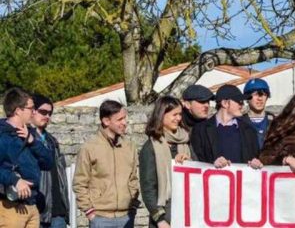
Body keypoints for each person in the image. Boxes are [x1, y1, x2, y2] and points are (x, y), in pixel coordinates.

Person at [73, 100, 139, 228]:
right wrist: (90, 212)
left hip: (126, 216)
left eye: (125, 118)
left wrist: (133, 206)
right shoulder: (89, 148)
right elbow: (80, 182)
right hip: (100, 218)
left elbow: (133, 179)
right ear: (106, 121)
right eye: (120, 119)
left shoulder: (129, 147)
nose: (125, 123)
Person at [0, 88, 54, 227]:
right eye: (31, 108)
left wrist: (32, 141)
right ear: (18, 110)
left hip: (32, 205)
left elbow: (48, 162)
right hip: (10, 207)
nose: (33, 112)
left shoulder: (31, 133)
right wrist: (15, 180)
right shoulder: (2, 135)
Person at [139, 96, 192, 228]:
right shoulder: (150, 147)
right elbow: (148, 188)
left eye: (180, 114)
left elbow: (198, 173)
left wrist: (188, 163)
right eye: (174, 114)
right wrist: (160, 220)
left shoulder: (186, 142)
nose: (178, 118)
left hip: (186, 213)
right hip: (164, 216)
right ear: (162, 115)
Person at [190, 84, 262, 169]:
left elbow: (256, 157)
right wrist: (212, 164)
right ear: (225, 103)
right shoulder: (200, 130)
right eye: (239, 101)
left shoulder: (250, 130)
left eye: (242, 102)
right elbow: (196, 162)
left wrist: (255, 162)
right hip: (213, 180)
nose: (242, 105)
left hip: (240, 181)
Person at [29, 94, 69, 228]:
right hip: (37, 211)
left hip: (58, 212)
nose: (47, 116)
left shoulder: (53, 141)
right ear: (32, 111)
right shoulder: (24, 139)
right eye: (43, 112)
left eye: (50, 113)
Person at [243, 78, 274, 149]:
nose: (260, 99)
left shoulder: (275, 122)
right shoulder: (240, 123)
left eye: (263, 94)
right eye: (256, 94)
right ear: (247, 98)